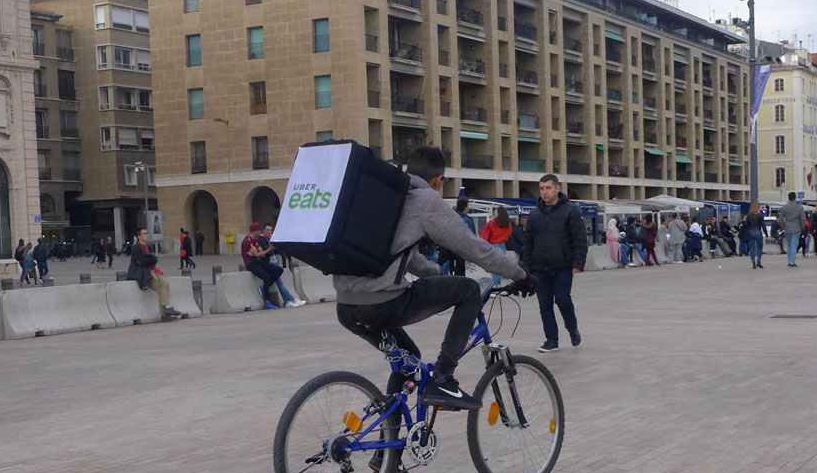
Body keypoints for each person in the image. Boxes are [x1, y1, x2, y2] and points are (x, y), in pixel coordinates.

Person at [335, 145, 529, 421]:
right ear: (438, 180)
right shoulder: (426, 200)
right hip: (384, 303)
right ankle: (443, 378)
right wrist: (520, 275)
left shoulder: (388, 196)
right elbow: (475, 248)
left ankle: (388, 459)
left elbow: (404, 256)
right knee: (469, 290)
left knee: (406, 363)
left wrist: (436, 273)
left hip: (347, 307)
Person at [522, 174, 587, 351]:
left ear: (557, 189)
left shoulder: (571, 210)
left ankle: (572, 328)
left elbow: (579, 238)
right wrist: (525, 266)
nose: (544, 192)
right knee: (544, 305)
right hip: (539, 268)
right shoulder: (534, 214)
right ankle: (552, 340)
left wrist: (578, 262)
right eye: (542, 188)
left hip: (563, 266)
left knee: (563, 299)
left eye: (548, 188)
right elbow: (528, 243)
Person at [242, 222, 304, 308]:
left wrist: (261, 252)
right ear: (255, 231)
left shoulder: (256, 240)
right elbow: (258, 254)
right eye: (259, 230)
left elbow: (261, 254)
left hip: (259, 262)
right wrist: (268, 250)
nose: (260, 232)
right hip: (251, 264)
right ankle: (267, 302)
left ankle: (264, 288)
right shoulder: (248, 240)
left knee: (279, 270)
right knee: (266, 278)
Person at [126, 228, 181, 318]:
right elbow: (142, 261)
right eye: (144, 234)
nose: (147, 235)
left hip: (150, 269)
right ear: (139, 236)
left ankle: (166, 308)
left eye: (147, 233)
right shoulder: (137, 247)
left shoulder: (148, 246)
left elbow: (152, 261)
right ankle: (164, 312)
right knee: (159, 288)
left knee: (165, 284)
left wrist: (151, 259)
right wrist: (151, 259)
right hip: (143, 272)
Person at [779, 192, 806, 268]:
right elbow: (803, 219)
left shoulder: (784, 207)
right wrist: (802, 227)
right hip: (796, 227)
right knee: (794, 244)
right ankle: (792, 262)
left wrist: (782, 226)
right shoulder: (799, 207)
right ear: (795, 198)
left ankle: (789, 260)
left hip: (787, 227)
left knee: (789, 244)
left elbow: (780, 219)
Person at [738, 203, 765, 268]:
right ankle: (759, 260)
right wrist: (766, 234)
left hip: (750, 232)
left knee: (752, 248)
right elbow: (763, 225)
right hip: (758, 231)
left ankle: (753, 263)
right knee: (760, 247)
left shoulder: (748, 216)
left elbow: (746, 224)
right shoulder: (760, 216)